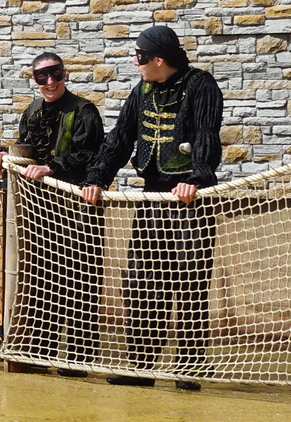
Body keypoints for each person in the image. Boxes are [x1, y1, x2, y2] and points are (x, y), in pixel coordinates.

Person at [81, 25, 223, 392]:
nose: (135, 62)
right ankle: (140, 364)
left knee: (190, 284)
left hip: (191, 199)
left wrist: (200, 177)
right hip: (152, 197)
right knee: (142, 282)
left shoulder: (201, 86)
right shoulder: (141, 91)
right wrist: (97, 177)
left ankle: (188, 368)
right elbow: (119, 139)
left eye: (140, 57)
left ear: (159, 60)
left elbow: (207, 135)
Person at [0, 53, 104, 377]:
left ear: (64, 74)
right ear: (35, 80)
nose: (50, 82)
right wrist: (2, 153)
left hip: (80, 210)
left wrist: (52, 168)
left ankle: (79, 360)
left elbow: (92, 155)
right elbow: (25, 148)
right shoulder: (31, 111)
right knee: (42, 283)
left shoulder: (84, 111)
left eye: (55, 74)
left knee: (81, 285)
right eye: (43, 77)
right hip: (42, 212)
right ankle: (40, 352)